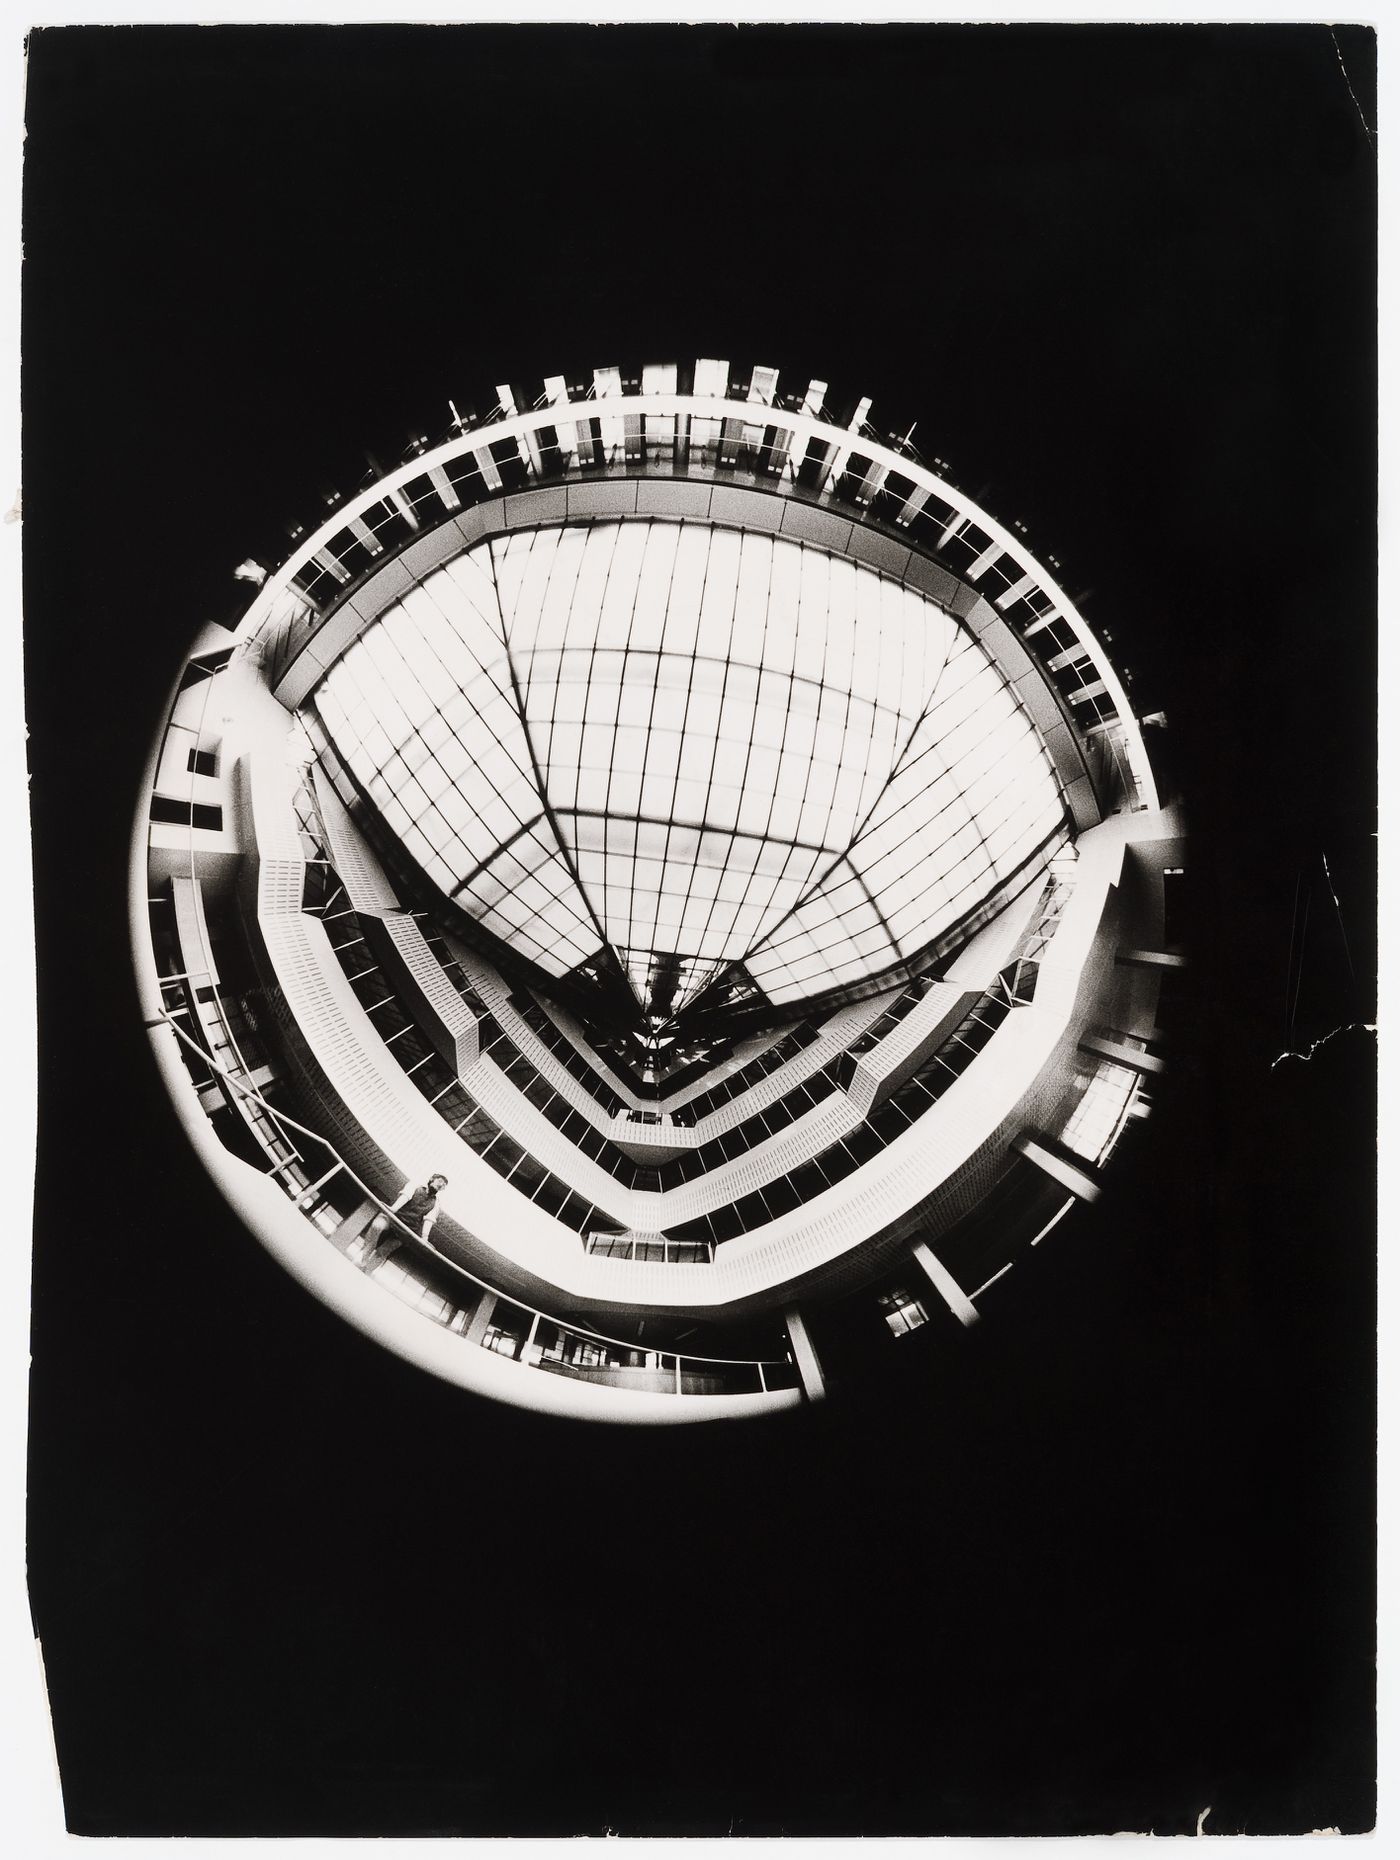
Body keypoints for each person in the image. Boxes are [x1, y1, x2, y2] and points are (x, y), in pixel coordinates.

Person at [362, 1172, 449, 1271]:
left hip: (407, 1229)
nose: (441, 1185)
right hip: (393, 1217)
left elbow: (429, 1220)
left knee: (383, 1251)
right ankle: (363, 1261)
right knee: (377, 1227)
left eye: (443, 1186)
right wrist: (393, 1209)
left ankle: (367, 1270)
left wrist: (425, 1238)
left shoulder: (436, 1204)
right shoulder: (416, 1185)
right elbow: (406, 1196)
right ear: (432, 1179)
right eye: (440, 1181)